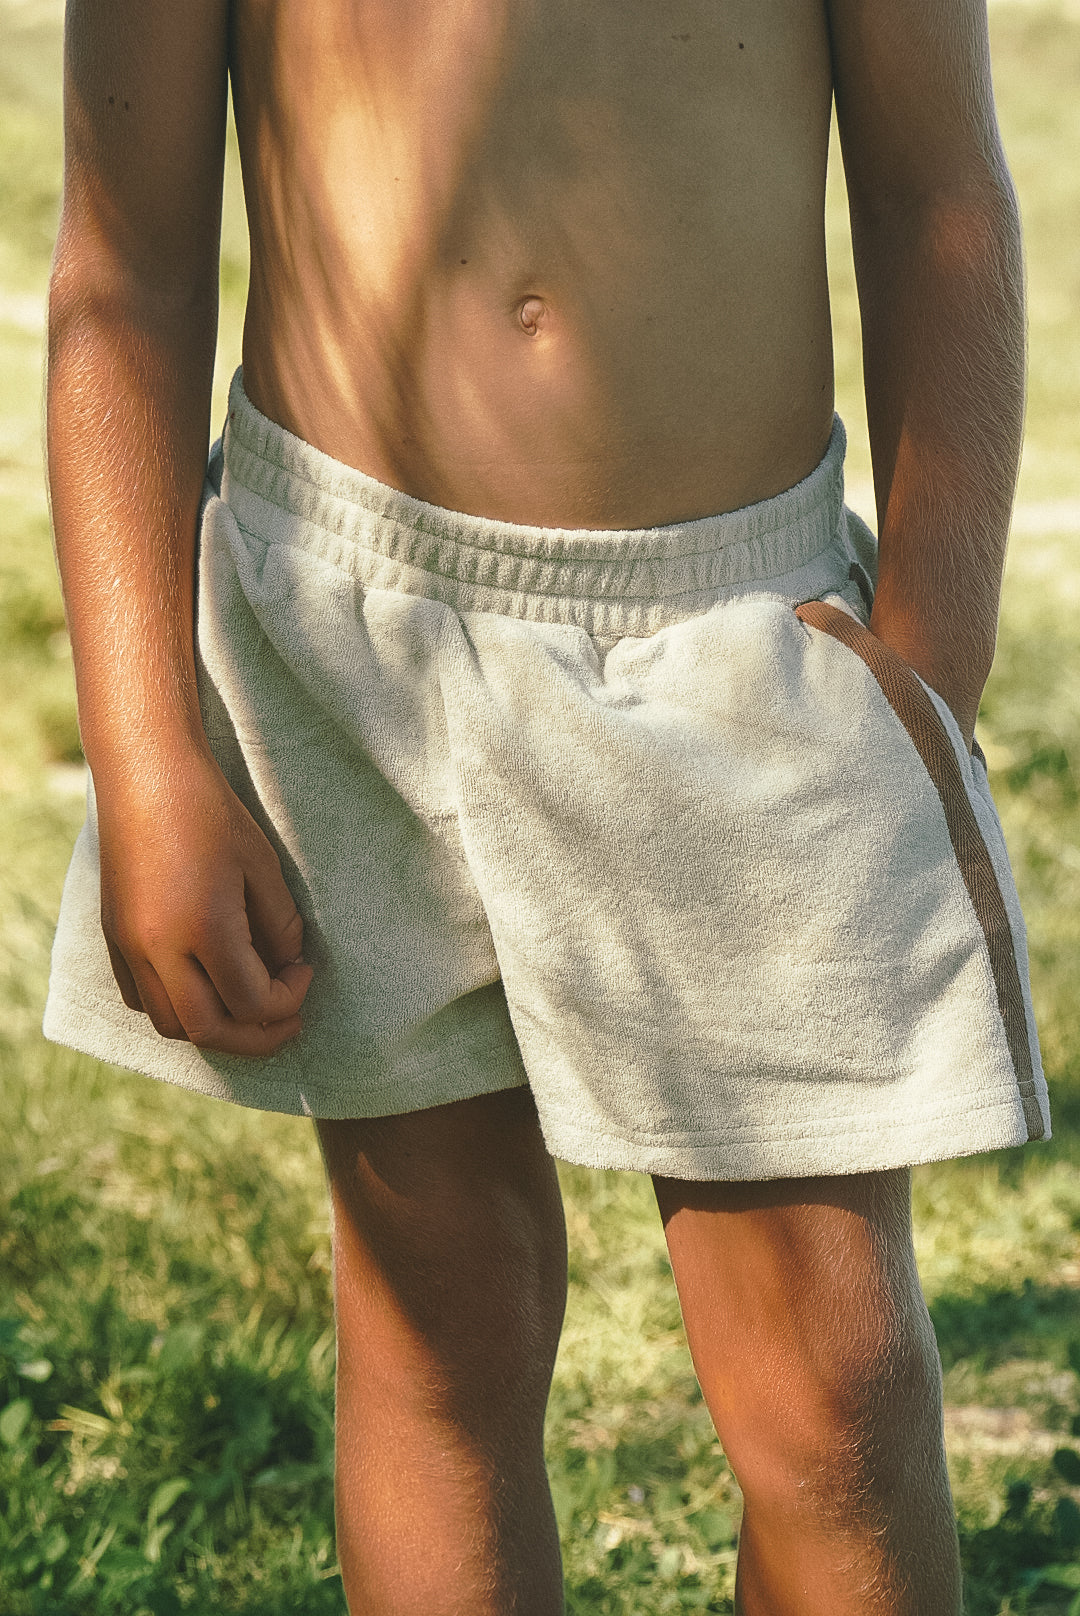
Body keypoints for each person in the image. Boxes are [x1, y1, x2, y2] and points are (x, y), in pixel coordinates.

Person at [42, 0, 1048, 1609]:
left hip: (733, 639)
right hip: (348, 632)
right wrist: (147, 753)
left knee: (838, 1387)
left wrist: (929, 658)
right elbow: (123, 270)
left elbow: (943, 200)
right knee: (444, 1328)